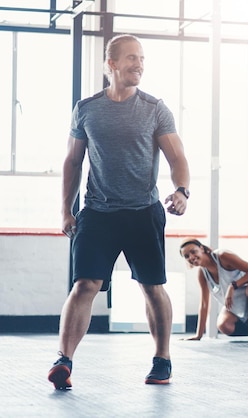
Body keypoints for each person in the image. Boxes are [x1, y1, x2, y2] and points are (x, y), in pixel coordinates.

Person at [47, 34, 190, 389]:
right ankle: (63, 360)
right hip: (98, 212)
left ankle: (162, 359)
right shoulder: (87, 108)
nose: (138, 64)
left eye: (141, 58)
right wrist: (66, 210)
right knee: (84, 285)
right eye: (130, 58)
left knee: (152, 287)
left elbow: (177, 157)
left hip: (144, 211)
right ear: (110, 64)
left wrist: (182, 191)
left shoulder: (155, 108)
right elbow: (72, 161)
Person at [178, 238, 248, 343]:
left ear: (202, 248)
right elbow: (204, 304)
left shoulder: (223, 256)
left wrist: (233, 286)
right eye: (187, 256)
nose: (191, 257)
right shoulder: (202, 274)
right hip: (238, 303)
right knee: (223, 325)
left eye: (193, 251)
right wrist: (198, 335)